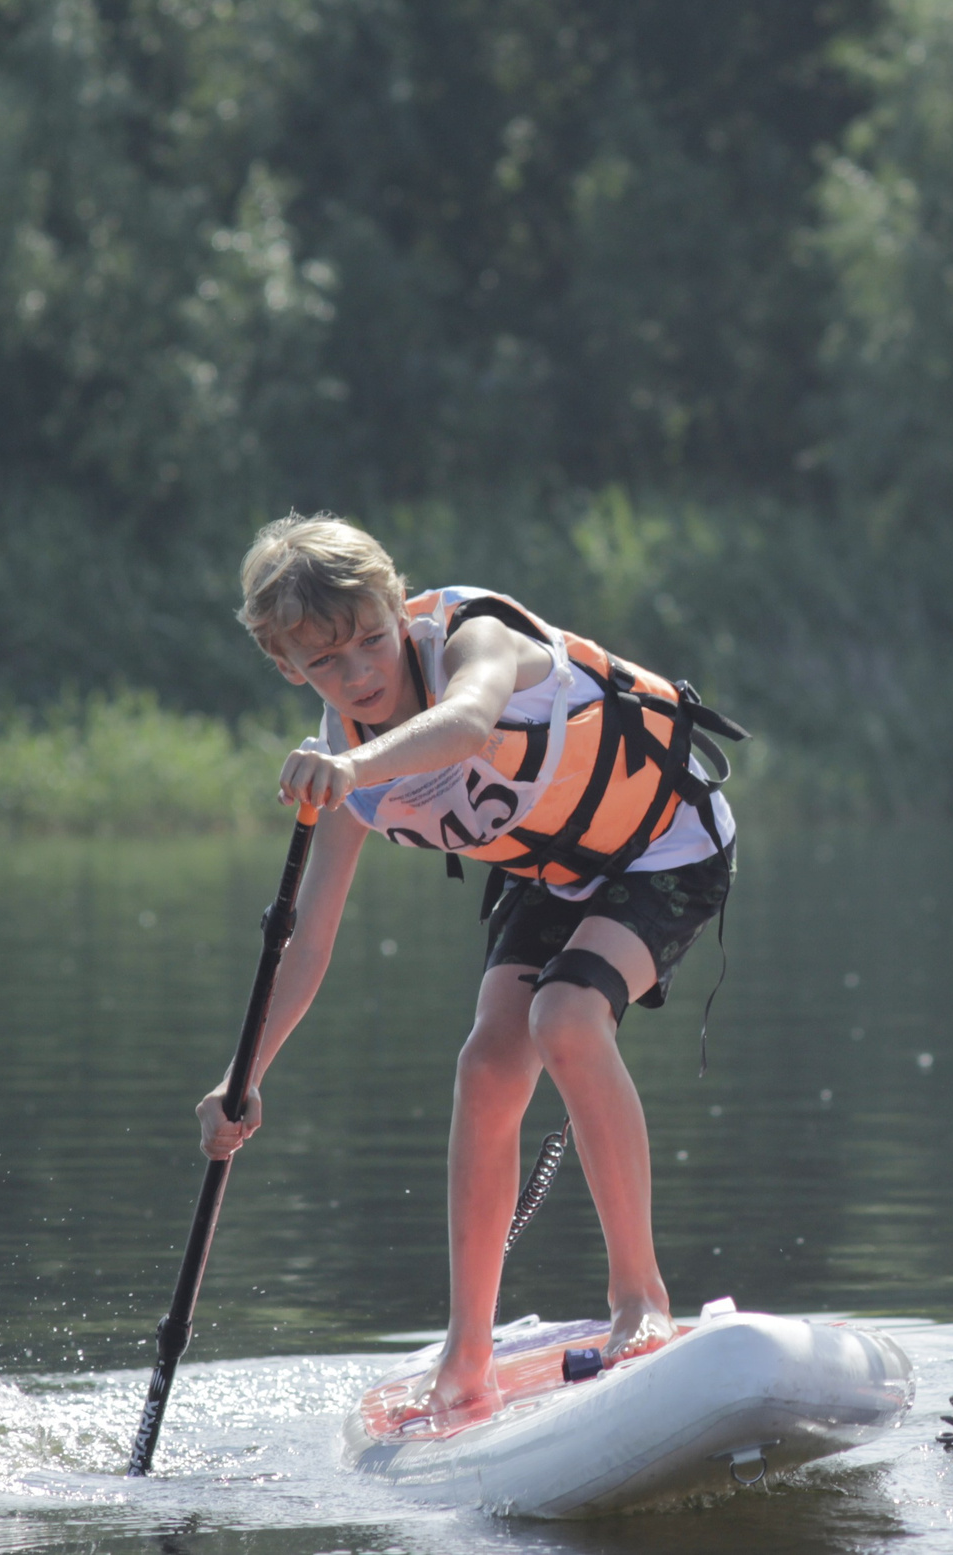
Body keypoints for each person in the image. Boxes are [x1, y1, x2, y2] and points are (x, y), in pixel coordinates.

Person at [195, 514, 741, 1424]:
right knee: (487, 1067)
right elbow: (310, 939)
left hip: (665, 846)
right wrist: (239, 1080)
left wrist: (351, 763)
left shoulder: (472, 638)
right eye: (329, 663)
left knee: (565, 1019)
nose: (363, 672)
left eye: (372, 637)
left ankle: (640, 1300)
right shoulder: (344, 760)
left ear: (397, 604)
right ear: (291, 668)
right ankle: (468, 1351)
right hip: (556, 870)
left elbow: (467, 723)